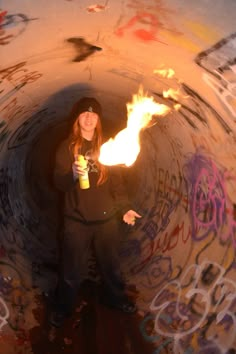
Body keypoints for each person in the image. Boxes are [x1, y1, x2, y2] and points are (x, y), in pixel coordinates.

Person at [50, 96, 141, 327]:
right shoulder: (67, 147)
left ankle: (116, 299)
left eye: (93, 114)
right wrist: (71, 172)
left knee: (110, 266)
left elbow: (118, 184)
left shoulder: (107, 146)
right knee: (71, 270)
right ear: (77, 118)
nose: (89, 118)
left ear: (98, 119)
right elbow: (58, 183)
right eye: (84, 113)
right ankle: (63, 308)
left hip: (106, 219)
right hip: (76, 220)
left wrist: (126, 208)